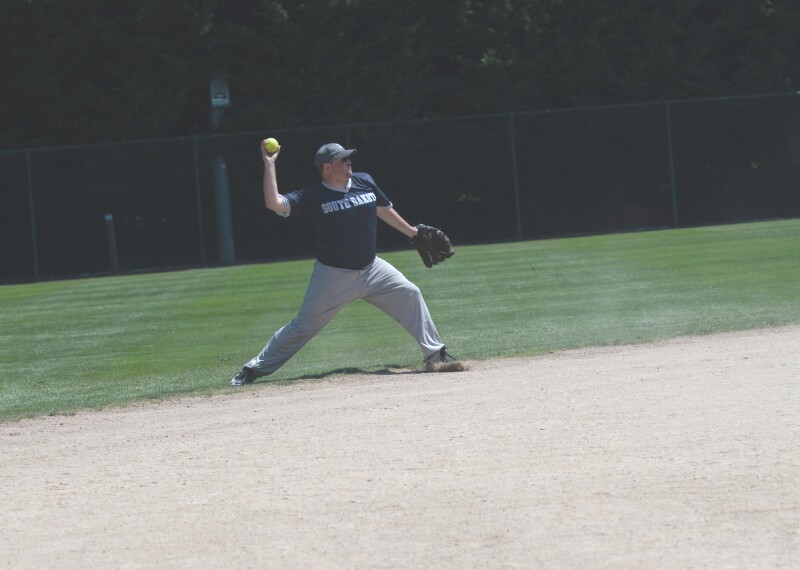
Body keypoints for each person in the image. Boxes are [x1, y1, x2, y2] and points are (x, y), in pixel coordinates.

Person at [230, 141, 466, 386]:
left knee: (410, 293)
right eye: (343, 159)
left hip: (372, 268)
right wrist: (269, 165)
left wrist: (412, 233)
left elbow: (383, 209)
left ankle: (436, 356)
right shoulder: (313, 196)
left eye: (348, 157)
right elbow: (274, 203)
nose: (349, 161)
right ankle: (253, 369)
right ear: (328, 168)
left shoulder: (365, 181)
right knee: (303, 326)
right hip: (333, 276)